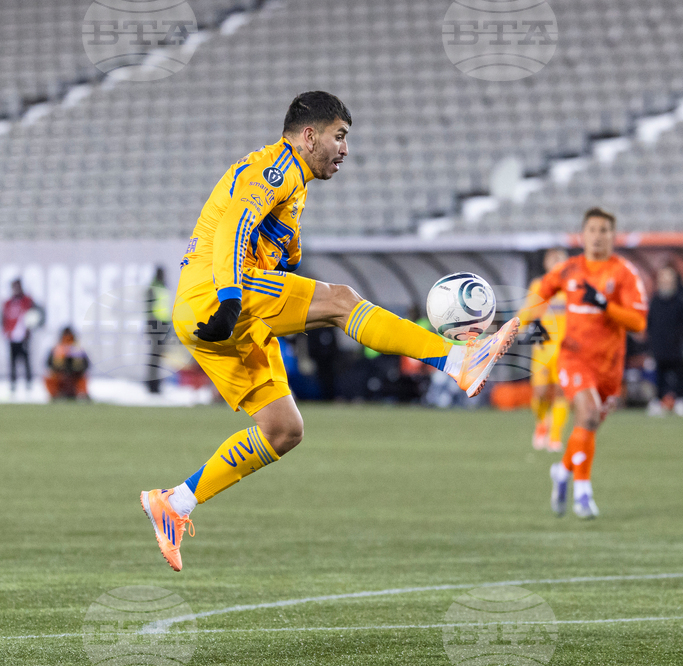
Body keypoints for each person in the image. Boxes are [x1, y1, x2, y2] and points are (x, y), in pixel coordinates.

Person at [140, 92, 519, 571]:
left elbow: (277, 246)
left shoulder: (295, 188)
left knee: (283, 431)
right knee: (342, 301)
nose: (344, 150)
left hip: (219, 316)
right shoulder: (273, 169)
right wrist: (232, 299)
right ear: (309, 135)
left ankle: (174, 503)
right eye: (339, 137)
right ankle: (457, 359)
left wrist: (285, 266)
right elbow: (234, 229)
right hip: (215, 299)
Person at [524, 208, 648, 519]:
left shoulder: (623, 273)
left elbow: (638, 322)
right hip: (574, 356)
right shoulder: (569, 270)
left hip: (609, 366)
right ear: (582, 235)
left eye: (604, 230)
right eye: (592, 229)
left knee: (588, 426)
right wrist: (534, 320)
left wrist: (606, 305)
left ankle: (562, 471)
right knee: (588, 413)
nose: (597, 235)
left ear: (613, 236)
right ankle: (583, 492)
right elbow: (540, 290)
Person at [518, 247, 569, 451]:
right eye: (552, 259)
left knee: (561, 392)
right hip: (542, 348)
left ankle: (555, 434)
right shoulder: (538, 286)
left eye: (560, 260)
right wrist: (521, 329)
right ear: (546, 264)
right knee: (539, 392)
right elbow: (526, 313)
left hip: (566, 350)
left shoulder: (572, 288)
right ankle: (541, 424)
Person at [645, 265, 683, 417]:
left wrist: (681, 342)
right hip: (658, 347)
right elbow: (650, 324)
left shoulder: (681, 301)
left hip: (676, 347)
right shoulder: (654, 301)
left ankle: (681, 402)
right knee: (659, 377)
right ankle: (658, 402)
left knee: (680, 376)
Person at [3, 279, 36, 392]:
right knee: (12, 361)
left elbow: (34, 314)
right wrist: (6, 331)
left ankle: (29, 383)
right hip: (12, 336)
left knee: (26, 360)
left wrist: (29, 329)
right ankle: (13, 383)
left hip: (23, 336)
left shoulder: (27, 301)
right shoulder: (8, 303)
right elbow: (4, 318)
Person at [146, 266, 173, 394]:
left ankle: (154, 383)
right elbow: (149, 309)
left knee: (157, 356)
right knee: (155, 356)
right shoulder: (155, 288)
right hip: (156, 324)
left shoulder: (162, 288)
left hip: (163, 324)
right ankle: (152, 384)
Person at [45, 327, 90, 400]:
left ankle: (82, 393)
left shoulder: (78, 349)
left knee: (83, 378)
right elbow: (48, 363)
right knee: (50, 377)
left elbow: (86, 364)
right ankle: (56, 394)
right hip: (60, 376)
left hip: (75, 376)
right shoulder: (56, 348)